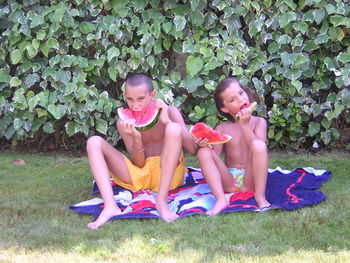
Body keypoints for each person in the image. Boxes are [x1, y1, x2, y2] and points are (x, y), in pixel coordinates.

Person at [86, 73, 197, 229]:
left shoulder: (170, 111)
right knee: (93, 142)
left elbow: (192, 149)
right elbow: (139, 163)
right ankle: (110, 206)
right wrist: (136, 138)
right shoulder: (123, 122)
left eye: (141, 99)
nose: (135, 105)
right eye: (130, 99)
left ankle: (162, 201)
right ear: (125, 96)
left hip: (169, 175)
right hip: (141, 176)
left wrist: (167, 122)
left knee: (173, 128)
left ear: (152, 95)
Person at [195, 77, 271, 216]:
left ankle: (260, 196)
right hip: (228, 181)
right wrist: (205, 146)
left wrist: (245, 126)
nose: (241, 100)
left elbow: (259, 149)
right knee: (203, 153)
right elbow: (214, 158)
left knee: (259, 146)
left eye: (241, 93)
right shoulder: (222, 128)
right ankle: (220, 199)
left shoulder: (259, 122)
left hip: (252, 178)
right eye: (232, 100)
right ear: (224, 108)